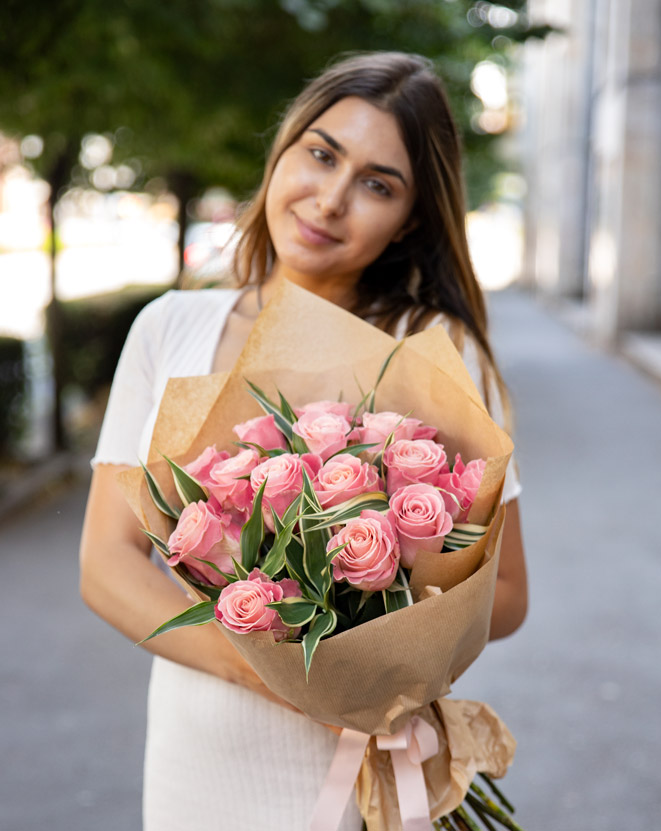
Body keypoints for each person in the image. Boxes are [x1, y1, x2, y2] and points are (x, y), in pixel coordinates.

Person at [80, 51, 527, 831]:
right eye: (320, 153)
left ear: (412, 218)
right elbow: (106, 561)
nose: (329, 199)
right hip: (194, 755)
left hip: (357, 765)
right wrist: (277, 668)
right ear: (284, 147)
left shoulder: (430, 350)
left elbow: (508, 593)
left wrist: (382, 622)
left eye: (376, 184)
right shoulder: (168, 328)